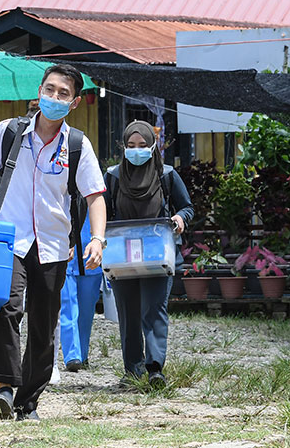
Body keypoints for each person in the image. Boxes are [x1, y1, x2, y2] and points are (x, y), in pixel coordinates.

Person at [0, 64, 107, 421]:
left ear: (74, 103)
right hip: (7, 239)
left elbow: (95, 197)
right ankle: (4, 387)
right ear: (39, 91)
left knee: (44, 324)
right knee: (7, 306)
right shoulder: (9, 131)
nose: (55, 98)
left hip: (54, 245)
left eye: (63, 94)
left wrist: (98, 239)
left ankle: (28, 402)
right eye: (50, 89)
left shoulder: (77, 145)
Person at [104, 120, 193, 388]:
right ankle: (132, 370)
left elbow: (187, 206)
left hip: (158, 254)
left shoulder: (166, 175)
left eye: (142, 145)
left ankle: (155, 369)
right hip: (122, 256)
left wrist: (180, 218)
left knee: (154, 310)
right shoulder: (114, 177)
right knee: (128, 313)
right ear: (123, 148)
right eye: (131, 146)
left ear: (153, 146)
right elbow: (103, 212)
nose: (137, 151)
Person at [58, 215, 102, 373]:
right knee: (67, 303)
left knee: (87, 309)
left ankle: (82, 354)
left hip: (91, 252)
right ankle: (72, 355)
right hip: (64, 250)